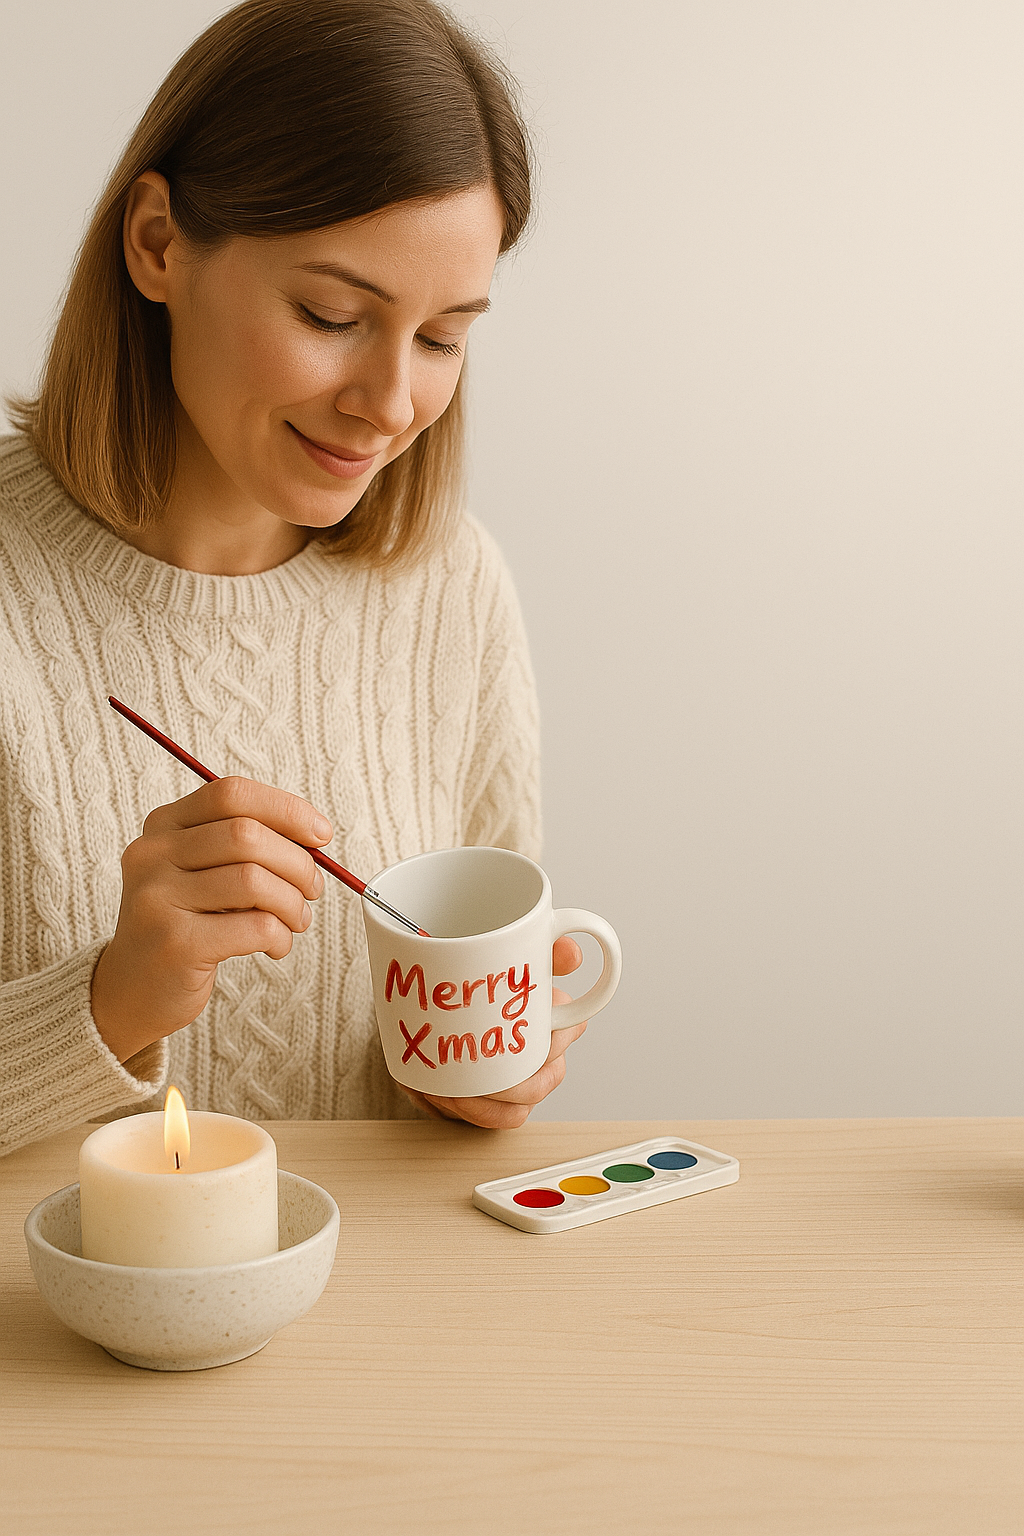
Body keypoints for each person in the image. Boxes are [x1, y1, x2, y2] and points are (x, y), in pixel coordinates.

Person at [0, 0, 587, 1157]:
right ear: (158, 243)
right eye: (332, 315)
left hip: (382, 1276)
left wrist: (470, 1076)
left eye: (442, 336)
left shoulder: (451, 589)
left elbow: (461, 1009)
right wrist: (108, 1006)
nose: (391, 403)